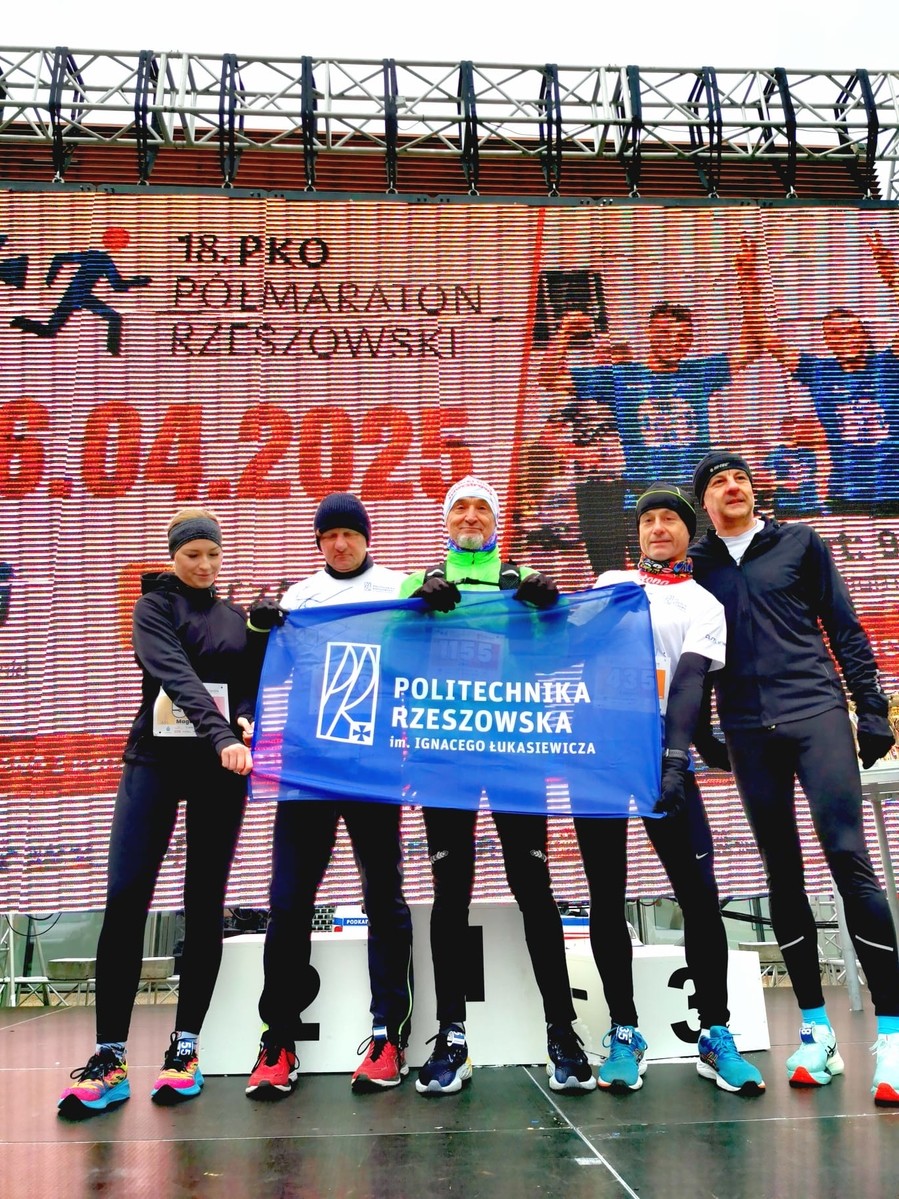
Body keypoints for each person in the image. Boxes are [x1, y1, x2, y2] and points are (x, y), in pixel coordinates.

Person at [690, 450, 899, 1105]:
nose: (732, 486)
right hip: (746, 729)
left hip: (815, 711)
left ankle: (893, 1036)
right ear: (703, 502)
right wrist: (702, 732)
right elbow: (687, 650)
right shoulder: (694, 566)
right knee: (781, 872)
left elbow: (843, 624)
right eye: (718, 481)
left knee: (848, 857)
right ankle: (815, 1031)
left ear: (753, 493)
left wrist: (871, 708)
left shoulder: (799, 543)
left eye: (740, 479)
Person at [399, 475, 596, 1096]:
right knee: (450, 889)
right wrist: (413, 612)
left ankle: (562, 1033)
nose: (470, 516)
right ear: (446, 521)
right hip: (445, 752)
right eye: (459, 507)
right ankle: (450, 1038)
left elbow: (558, 656)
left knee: (534, 886)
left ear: (495, 522)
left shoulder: (521, 579)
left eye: (481, 508)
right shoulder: (418, 581)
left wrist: (552, 608)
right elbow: (392, 659)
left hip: (514, 748)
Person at [58, 508, 257, 1118]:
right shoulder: (153, 608)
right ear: (173, 555)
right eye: (193, 554)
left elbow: (248, 680)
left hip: (218, 773)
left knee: (204, 902)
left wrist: (246, 716)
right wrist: (221, 733)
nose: (204, 565)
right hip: (156, 762)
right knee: (126, 898)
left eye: (213, 554)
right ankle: (110, 1058)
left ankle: (185, 1049)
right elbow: (175, 674)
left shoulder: (233, 617)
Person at [574, 483, 765, 1095]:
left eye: (670, 520)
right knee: (606, 896)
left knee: (699, 894)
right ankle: (624, 1032)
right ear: (638, 533)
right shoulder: (610, 584)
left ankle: (715, 1032)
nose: (658, 528)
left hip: (662, 749)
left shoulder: (704, 604)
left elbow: (688, 684)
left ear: (688, 533)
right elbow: (558, 640)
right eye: (648, 520)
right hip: (602, 749)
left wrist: (676, 759)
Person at [244, 493, 414, 1098]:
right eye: (329, 535)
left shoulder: (398, 587)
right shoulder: (300, 597)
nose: (340, 544)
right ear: (318, 542)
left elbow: (431, 654)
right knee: (288, 901)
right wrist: (258, 632)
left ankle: (387, 1035)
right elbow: (269, 672)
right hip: (307, 766)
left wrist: (437, 602)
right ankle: (278, 1041)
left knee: (383, 896)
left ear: (367, 537)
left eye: (350, 533)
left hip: (372, 765)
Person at [537, 236, 764, 561]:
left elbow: (752, 346)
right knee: (652, 579)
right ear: (649, 333)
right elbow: (549, 379)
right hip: (644, 497)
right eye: (664, 333)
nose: (674, 341)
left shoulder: (698, 372)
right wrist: (563, 334)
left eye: (683, 335)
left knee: (704, 578)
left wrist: (748, 281)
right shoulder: (622, 377)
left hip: (695, 497)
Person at [762, 230, 899, 515]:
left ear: (864, 334)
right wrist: (750, 280)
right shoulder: (819, 371)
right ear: (827, 341)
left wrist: (891, 274)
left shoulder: (888, 364)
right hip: (845, 491)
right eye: (835, 333)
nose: (845, 338)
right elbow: (767, 337)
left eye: (851, 331)